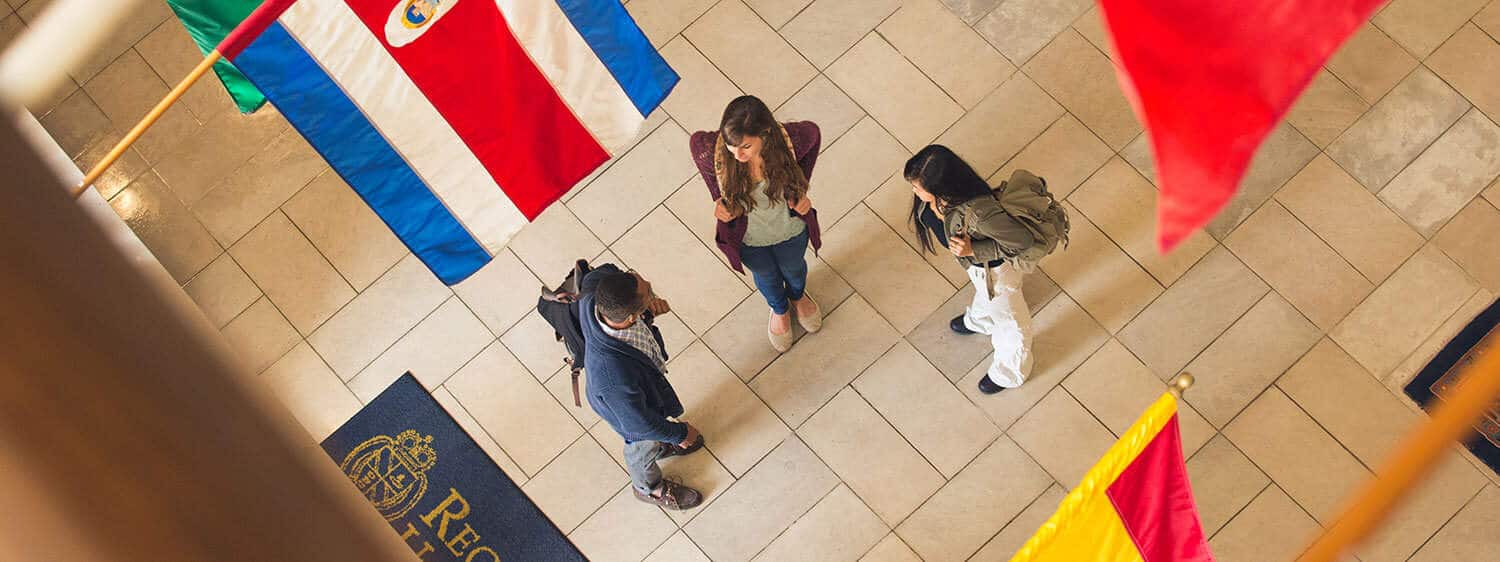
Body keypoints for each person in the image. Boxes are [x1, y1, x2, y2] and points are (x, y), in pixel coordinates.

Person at [689, 95, 823, 352]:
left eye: (746, 147)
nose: (737, 154)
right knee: (765, 275)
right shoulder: (712, 150)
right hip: (748, 238)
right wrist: (717, 198)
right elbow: (695, 143)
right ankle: (779, 308)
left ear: (765, 133)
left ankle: (798, 296)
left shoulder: (791, 140)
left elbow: (813, 134)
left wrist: (801, 187)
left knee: (794, 268)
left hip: (789, 228)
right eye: (731, 145)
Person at [905, 145, 1036, 395]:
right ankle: (981, 319)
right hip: (978, 269)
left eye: (917, 187)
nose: (913, 191)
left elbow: (1022, 242)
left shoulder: (980, 213)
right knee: (986, 295)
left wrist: (974, 250)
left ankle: (1011, 371)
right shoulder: (941, 201)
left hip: (996, 270)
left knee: (1011, 323)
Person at [580, 269, 705, 509]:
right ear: (630, 317)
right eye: (647, 291)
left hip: (636, 389)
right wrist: (679, 434)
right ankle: (649, 489)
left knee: (654, 430)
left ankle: (661, 444)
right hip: (626, 413)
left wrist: (647, 308)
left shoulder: (594, 298)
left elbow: (598, 274)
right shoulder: (613, 375)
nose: (648, 283)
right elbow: (639, 424)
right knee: (641, 447)